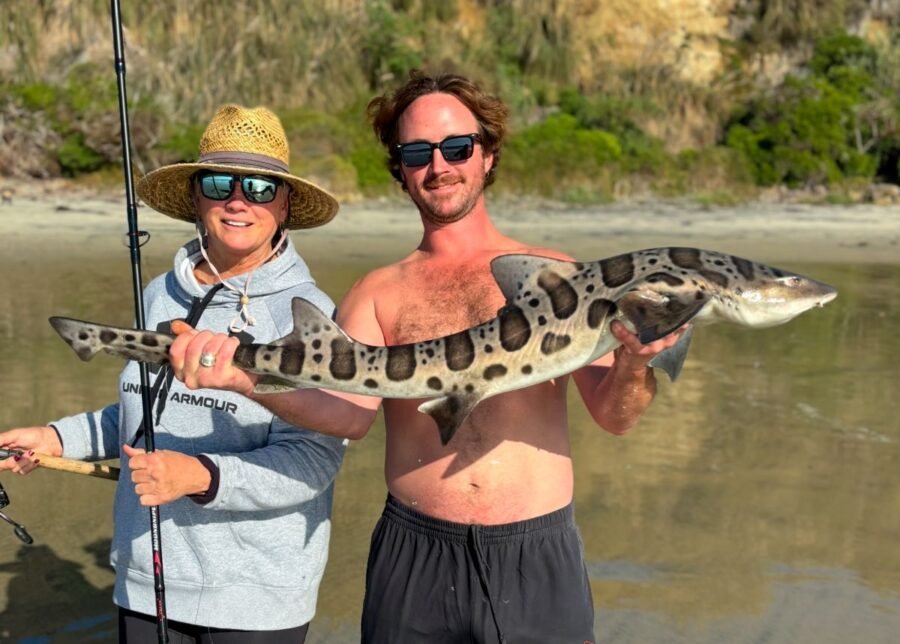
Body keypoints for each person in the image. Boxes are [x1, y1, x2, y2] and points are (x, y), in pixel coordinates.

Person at [168, 72, 687, 643]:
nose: (439, 165)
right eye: (417, 152)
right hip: (415, 556)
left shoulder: (555, 275)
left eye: (457, 147)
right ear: (401, 171)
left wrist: (635, 363)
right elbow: (347, 416)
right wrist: (245, 380)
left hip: (537, 554)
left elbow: (616, 417)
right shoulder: (378, 291)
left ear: (487, 156)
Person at [0, 104, 347, 642]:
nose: (237, 200)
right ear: (195, 197)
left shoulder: (307, 312)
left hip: (254, 599)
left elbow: (314, 457)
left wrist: (201, 477)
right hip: (145, 579)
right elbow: (144, 410)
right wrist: (57, 438)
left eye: (259, 187)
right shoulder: (161, 292)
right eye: (218, 182)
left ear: (285, 204)